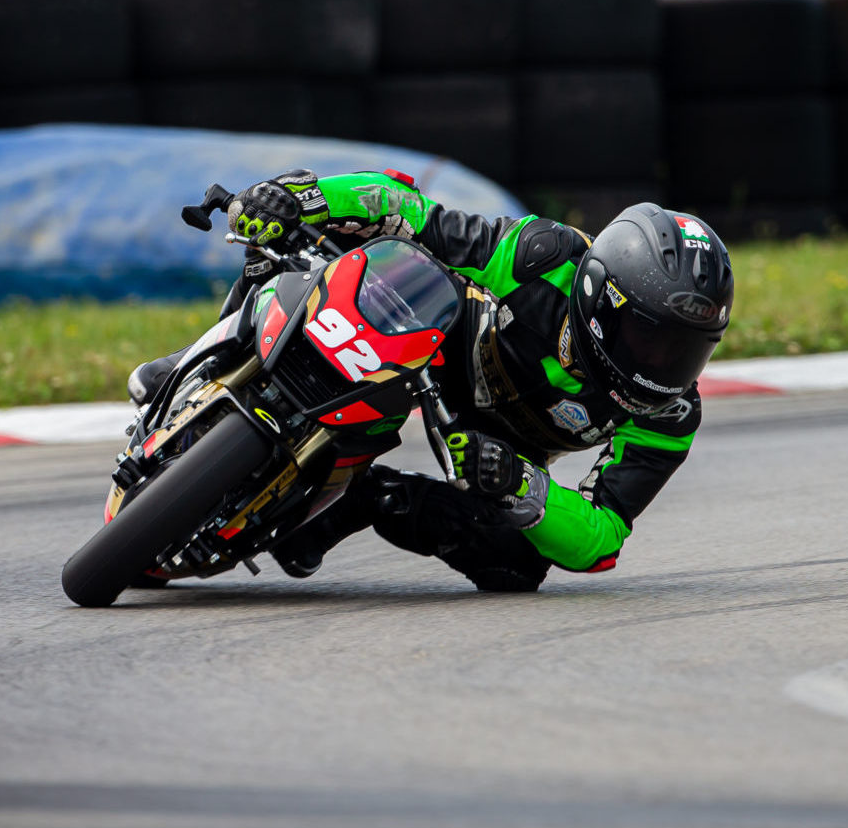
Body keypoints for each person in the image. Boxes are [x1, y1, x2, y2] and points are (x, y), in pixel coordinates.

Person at [128, 168, 734, 593]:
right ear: (603, 298)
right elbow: (412, 211)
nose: (663, 366)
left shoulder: (670, 414)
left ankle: (359, 498)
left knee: (516, 567)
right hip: (433, 328)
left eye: (685, 351)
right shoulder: (541, 259)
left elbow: (603, 537)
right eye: (651, 340)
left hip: (492, 445)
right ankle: (206, 353)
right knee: (307, 240)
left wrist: (524, 485)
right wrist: (304, 198)